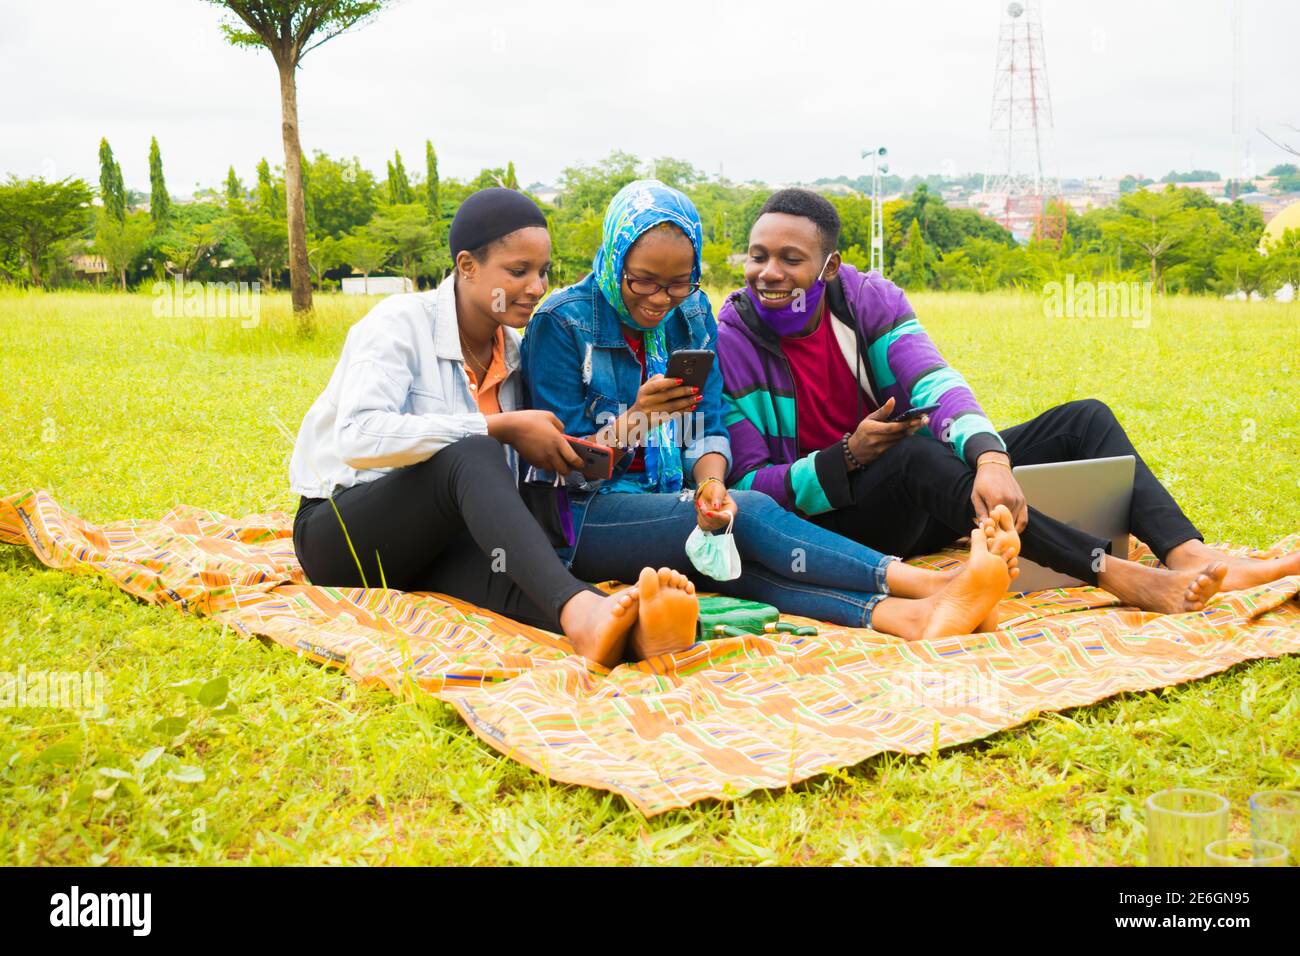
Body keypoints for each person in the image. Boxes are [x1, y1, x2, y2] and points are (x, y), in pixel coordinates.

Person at [716, 187, 1298, 615]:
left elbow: (934, 383)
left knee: (1083, 418)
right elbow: (748, 485)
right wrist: (846, 456)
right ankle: (1111, 573)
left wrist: (991, 460)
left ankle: (1186, 553)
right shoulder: (731, 339)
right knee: (911, 455)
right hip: (841, 525)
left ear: (829, 266)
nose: (770, 273)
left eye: (791, 259)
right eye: (757, 255)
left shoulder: (867, 300)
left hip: (931, 495)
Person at [521, 179, 1023, 652]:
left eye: (678, 283)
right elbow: (561, 467)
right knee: (754, 512)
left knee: (737, 554)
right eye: (643, 282)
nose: (660, 300)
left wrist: (711, 486)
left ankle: (907, 617)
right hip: (584, 517)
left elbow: (708, 425)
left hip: (669, 499)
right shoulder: (562, 323)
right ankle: (931, 584)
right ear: (613, 258)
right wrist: (638, 419)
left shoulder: (692, 313)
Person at [288, 187, 695, 669]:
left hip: (433, 541)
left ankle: (623, 629)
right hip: (342, 537)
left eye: (543, 271)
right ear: (467, 266)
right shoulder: (399, 324)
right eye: (518, 271)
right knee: (474, 451)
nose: (537, 287)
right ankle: (589, 611)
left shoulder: (516, 354)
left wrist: (581, 444)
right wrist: (497, 427)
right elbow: (357, 436)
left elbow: (498, 489)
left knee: (522, 573)